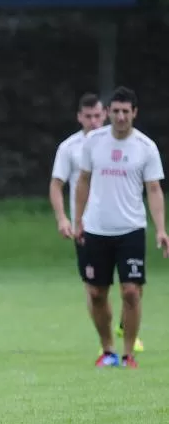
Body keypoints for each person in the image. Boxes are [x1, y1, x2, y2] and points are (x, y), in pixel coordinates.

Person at [73, 86, 168, 368]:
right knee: (96, 293)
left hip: (131, 228)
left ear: (134, 113)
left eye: (126, 111)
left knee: (130, 291)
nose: (121, 116)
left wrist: (161, 229)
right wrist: (78, 221)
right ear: (109, 113)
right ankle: (108, 351)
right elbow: (83, 182)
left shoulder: (145, 147)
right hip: (97, 229)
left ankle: (128, 354)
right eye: (116, 111)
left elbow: (153, 189)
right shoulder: (94, 142)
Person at [49, 93, 144, 353]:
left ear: (105, 114)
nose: (93, 121)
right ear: (79, 117)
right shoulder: (69, 148)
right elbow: (56, 185)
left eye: (97, 115)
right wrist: (63, 219)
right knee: (95, 289)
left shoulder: (121, 144)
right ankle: (107, 343)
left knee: (132, 284)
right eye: (87, 116)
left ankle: (128, 330)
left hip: (123, 224)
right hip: (88, 227)